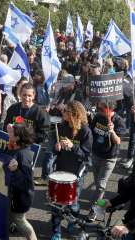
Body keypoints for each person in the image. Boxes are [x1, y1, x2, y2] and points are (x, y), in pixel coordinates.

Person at [50, 101, 93, 240]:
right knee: (56, 204)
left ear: (74, 114)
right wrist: (56, 148)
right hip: (61, 170)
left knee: (72, 203)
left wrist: (72, 146)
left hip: (76, 174)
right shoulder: (61, 127)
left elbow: (86, 156)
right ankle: (56, 231)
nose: (63, 113)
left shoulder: (85, 131)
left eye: (66, 111)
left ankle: (72, 222)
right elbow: (55, 150)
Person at [88, 101, 125, 218]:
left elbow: (118, 141)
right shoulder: (98, 117)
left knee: (100, 185)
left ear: (109, 109)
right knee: (98, 184)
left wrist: (112, 131)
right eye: (98, 108)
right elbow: (91, 132)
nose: (99, 110)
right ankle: (100, 202)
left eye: (101, 109)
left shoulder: (118, 121)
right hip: (96, 155)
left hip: (109, 158)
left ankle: (94, 209)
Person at [6, 123, 38, 240]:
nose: (9, 132)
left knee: (20, 221)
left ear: (18, 137)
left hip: (20, 198)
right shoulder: (17, 148)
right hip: (13, 197)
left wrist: (15, 171)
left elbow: (25, 182)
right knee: (8, 219)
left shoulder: (23, 155)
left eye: (12, 132)